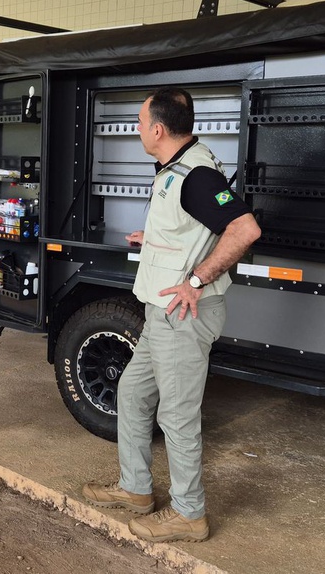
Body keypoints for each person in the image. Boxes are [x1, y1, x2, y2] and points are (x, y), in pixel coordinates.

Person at [81, 88, 261, 542]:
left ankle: (189, 514)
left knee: (177, 417)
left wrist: (195, 280)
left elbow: (245, 229)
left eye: (141, 124)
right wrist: (157, 239)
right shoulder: (179, 166)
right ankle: (136, 489)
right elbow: (194, 227)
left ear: (158, 130)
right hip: (160, 315)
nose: (139, 130)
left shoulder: (196, 176)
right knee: (132, 393)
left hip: (183, 315)